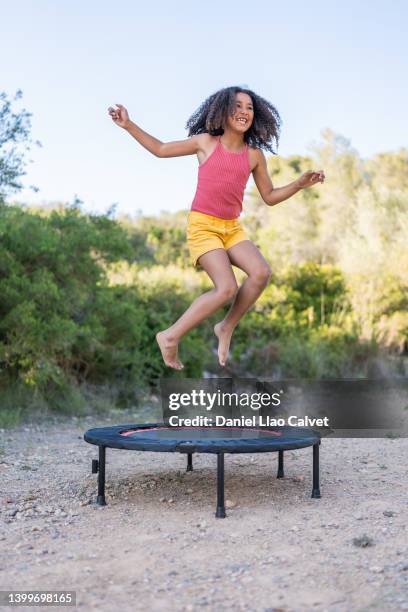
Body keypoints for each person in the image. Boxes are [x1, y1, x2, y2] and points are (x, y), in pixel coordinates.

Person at [108, 86, 325, 370]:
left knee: (261, 272)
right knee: (226, 289)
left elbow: (269, 197)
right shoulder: (206, 143)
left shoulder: (254, 156)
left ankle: (226, 327)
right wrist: (129, 125)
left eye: (249, 108)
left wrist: (298, 184)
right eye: (237, 106)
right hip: (203, 226)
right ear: (222, 111)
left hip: (232, 228)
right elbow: (160, 150)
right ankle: (170, 336)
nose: (244, 112)